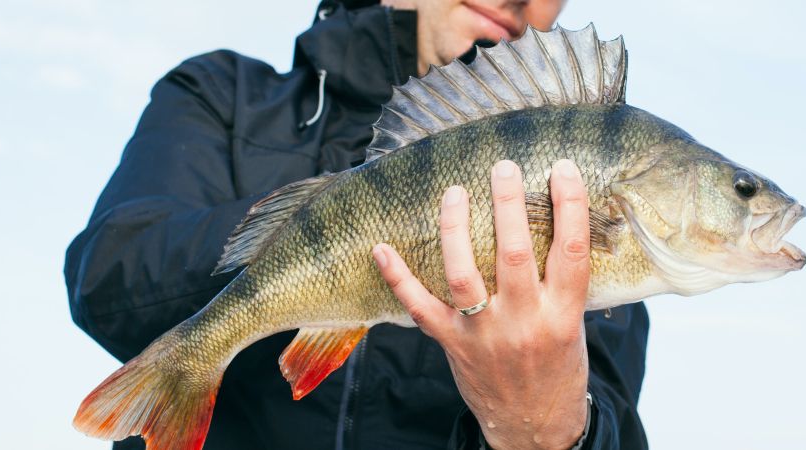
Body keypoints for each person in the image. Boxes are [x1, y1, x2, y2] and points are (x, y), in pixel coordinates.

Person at [64, 0, 650, 448]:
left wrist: (552, 427)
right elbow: (107, 279)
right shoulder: (221, 93)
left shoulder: (574, 196)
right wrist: (345, 224)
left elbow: (615, 419)